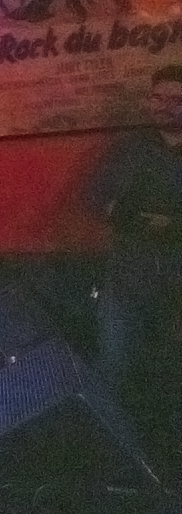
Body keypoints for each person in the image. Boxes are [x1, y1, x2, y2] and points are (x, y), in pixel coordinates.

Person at [89, 64, 182, 491]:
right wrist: (144, 217)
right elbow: (98, 202)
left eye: (175, 100)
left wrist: (153, 218)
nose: (165, 108)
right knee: (117, 377)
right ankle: (122, 475)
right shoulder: (129, 150)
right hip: (127, 285)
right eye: (158, 99)